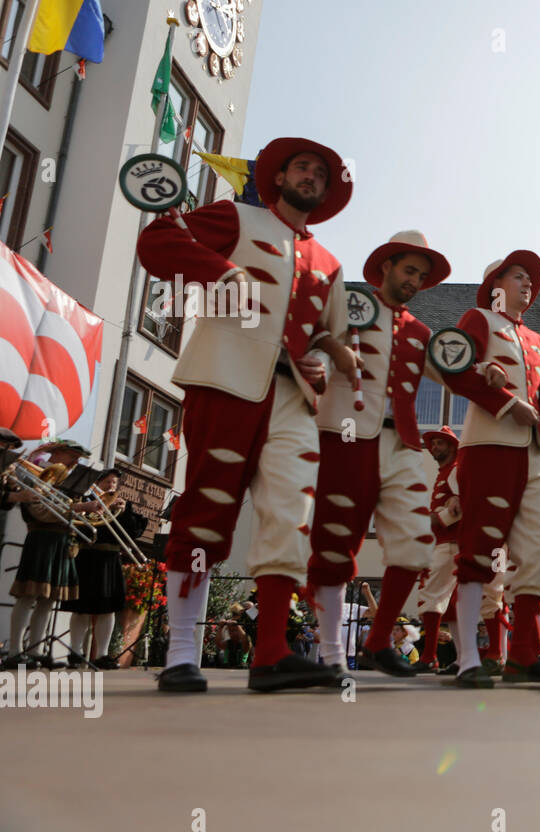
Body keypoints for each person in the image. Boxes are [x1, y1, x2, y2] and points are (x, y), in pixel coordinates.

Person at [135, 137, 360, 693]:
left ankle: (272, 653)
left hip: (293, 398)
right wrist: (220, 271)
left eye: (321, 174)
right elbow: (158, 241)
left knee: (290, 513)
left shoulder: (329, 263)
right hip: (227, 377)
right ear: (276, 177)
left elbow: (327, 329)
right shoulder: (235, 215)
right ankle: (181, 653)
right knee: (208, 504)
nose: (311, 176)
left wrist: (334, 354)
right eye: (301, 167)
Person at [307, 231, 484, 679]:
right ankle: (330, 653)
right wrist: (332, 355)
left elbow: (457, 375)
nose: (414, 282)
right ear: (385, 267)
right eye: (409, 271)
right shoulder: (350, 305)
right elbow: (310, 332)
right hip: (345, 433)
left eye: (421, 277)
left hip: (403, 441)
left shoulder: (421, 332)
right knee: (336, 538)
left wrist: (488, 370)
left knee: (416, 541)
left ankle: (378, 640)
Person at [438, 251, 540, 688]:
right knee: (479, 548)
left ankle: (526, 651)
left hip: (536, 454)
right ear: (495, 284)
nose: (529, 284)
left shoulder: (538, 341)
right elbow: (454, 368)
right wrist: (505, 404)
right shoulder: (479, 320)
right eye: (519, 276)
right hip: (489, 447)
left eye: (531, 280)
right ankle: (468, 656)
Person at [4, 441, 102, 669]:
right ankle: (15, 651)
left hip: (61, 541)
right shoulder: (37, 474)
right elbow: (38, 511)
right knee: (27, 595)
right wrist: (77, 509)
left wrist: (84, 509)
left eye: (79, 457)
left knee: (48, 600)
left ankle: (36, 651)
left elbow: (65, 511)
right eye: (72, 456)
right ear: (56, 453)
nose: (75, 462)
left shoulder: (69, 482)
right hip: (41, 539)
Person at [64, 468, 147, 668]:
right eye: (108, 481)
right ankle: (75, 652)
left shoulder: (121, 505)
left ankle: (101, 654)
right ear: (98, 482)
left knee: (108, 609)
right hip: (87, 556)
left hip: (110, 558)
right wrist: (90, 507)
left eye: (114, 483)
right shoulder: (85, 500)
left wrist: (125, 511)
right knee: (81, 608)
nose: (111, 486)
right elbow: (75, 525)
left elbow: (133, 532)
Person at [412, 427, 461, 673]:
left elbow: (460, 506)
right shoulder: (447, 471)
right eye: (433, 444)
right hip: (446, 542)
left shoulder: (455, 470)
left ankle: (429, 656)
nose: (434, 448)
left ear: (452, 446)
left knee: (430, 596)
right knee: (452, 607)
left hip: (450, 543)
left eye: (440, 443)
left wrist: (429, 519)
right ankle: (462, 659)